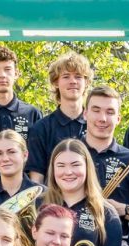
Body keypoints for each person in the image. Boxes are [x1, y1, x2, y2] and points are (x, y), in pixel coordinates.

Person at [41, 139, 123, 246]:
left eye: (75, 165)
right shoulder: (38, 204)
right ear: (53, 169)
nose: (68, 172)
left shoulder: (106, 213)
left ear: (87, 168)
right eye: (61, 165)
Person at [82, 86, 129, 232]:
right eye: (96, 110)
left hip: (120, 242)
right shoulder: (68, 154)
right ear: (85, 114)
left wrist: (124, 209)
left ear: (118, 119)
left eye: (110, 112)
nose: (102, 118)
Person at [27, 52, 92, 182]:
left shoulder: (95, 124)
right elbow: (36, 180)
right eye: (66, 77)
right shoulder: (41, 129)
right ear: (56, 82)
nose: (73, 81)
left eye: (78, 76)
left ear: (86, 82)